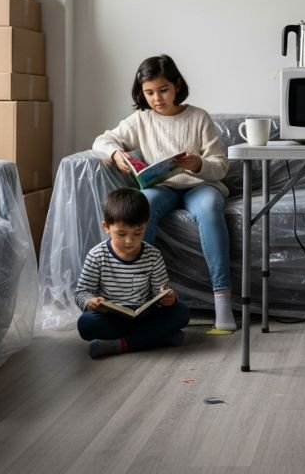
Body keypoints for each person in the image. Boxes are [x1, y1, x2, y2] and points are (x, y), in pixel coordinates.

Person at [93, 54, 237, 331]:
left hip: (201, 186)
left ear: (177, 86)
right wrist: (115, 153)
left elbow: (220, 166)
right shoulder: (141, 119)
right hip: (162, 187)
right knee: (142, 205)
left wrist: (199, 164)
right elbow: (103, 139)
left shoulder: (198, 117)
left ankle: (222, 302)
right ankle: (137, 297)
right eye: (149, 92)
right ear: (141, 92)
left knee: (208, 210)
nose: (157, 98)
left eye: (163, 90)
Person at [75, 188, 191, 359]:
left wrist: (168, 299)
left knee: (181, 312)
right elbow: (81, 292)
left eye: (138, 233)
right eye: (121, 234)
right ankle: (156, 337)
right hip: (113, 318)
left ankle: (121, 344)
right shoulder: (97, 255)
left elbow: (161, 292)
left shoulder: (152, 255)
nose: (129, 241)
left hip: (145, 316)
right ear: (106, 227)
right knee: (86, 324)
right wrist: (90, 302)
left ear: (146, 224)